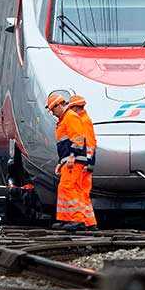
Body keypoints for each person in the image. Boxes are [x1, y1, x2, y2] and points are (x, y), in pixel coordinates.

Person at [46, 93, 91, 230]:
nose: (53, 114)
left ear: (59, 106)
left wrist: (72, 155)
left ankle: (77, 219)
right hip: (68, 160)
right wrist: (61, 161)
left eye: (53, 110)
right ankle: (66, 219)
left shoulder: (70, 117)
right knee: (65, 188)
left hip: (74, 160)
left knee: (68, 187)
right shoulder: (65, 118)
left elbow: (78, 138)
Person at [68, 95, 98, 230]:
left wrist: (87, 162)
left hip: (84, 163)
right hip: (87, 162)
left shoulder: (84, 121)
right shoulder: (85, 120)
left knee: (80, 192)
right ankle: (89, 222)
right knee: (84, 193)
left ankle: (83, 221)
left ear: (74, 107)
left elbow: (89, 144)